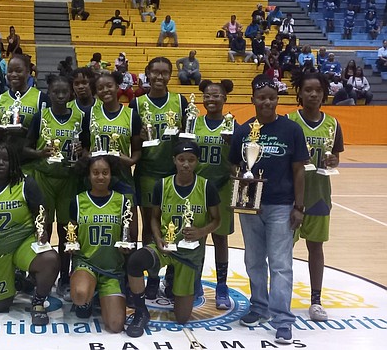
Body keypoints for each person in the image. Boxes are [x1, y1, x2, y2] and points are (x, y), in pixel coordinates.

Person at [229, 74, 308, 345]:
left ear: (277, 100)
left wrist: (299, 206)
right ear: (252, 99)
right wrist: (244, 196)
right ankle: (259, 306)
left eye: (271, 98)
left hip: (281, 206)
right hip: (251, 208)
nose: (266, 102)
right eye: (261, 97)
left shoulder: (291, 130)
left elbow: (299, 170)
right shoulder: (243, 131)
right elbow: (234, 168)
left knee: (281, 264)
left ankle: (282, 319)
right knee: (253, 261)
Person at [125, 141, 221, 337]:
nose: (186, 164)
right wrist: (158, 238)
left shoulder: (206, 187)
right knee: (135, 261)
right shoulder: (162, 185)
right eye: (181, 160)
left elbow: (217, 220)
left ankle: (179, 283)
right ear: (174, 161)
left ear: (197, 162)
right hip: (164, 247)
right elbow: (154, 218)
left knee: (182, 318)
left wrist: (202, 232)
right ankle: (141, 311)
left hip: (189, 253)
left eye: (191, 160)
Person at [0, 143, 60, 325]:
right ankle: (17, 278)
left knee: (50, 259)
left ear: (13, 162)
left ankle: (38, 302)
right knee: (0, 306)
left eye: (5, 159)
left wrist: (42, 230)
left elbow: (41, 211)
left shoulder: (26, 183)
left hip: (22, 244)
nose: (0, 163)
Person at [23, 75, 88, 301]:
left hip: (69, 179)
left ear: (70, 93)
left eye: (64, 92)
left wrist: (82, 153)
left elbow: (88, 149)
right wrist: (40, 153)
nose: (60, 96)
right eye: (55, 92)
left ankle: (63, 276)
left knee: (66, 231)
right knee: (43, 228)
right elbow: (26, 147)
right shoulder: (41, 116)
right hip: (44, 177)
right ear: (48, 94)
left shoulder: (81, 117)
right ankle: (39, 273)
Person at [287, 71, 343, 322]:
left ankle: (316, 300)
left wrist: (333, 160)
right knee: (283, 251)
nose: (313, 94)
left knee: (316, 248)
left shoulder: (332, 124)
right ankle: (281, 298)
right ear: (299, 92)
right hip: (290, 197)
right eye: (308, 89)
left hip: (320, 195)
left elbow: (336, 156)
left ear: (324, 93)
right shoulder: (288, 121)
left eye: (318, 90)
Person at [131, 56, 189, 253]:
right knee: (149, 224)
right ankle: (151, 271)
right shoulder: (136, 104)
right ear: (147, 73)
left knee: (173, 224)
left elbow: (187, 138)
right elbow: (133, 143)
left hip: (173, 174)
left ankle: (172, 271)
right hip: (147, 173)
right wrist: (139, 136)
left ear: (170, 75)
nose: (159, 76)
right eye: (155, 72)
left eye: (165, 73)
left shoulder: (180, 101)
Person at [69, 155, 131, 332]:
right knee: (80, 296)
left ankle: (99, 293)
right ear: (88, 175)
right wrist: (70, 244)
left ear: (112, 174)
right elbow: (71, 233)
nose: (101, 177)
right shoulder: (78, 201)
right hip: (86, 264)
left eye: (105, 172)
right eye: (95, 173)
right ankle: (87, 296)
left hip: (112, 270)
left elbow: (129, 236)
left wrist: (127, 248)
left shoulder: (122, 201)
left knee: (115, 326)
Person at [194, 80, 236, 309]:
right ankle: (195, 283)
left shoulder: (231, 124)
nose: (211, 99)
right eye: (208, 95)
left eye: (216, 95)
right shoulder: (194, 123)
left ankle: (221, 286)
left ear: (224, 98)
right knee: (197, 237)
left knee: (220, 238)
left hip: (222, 187)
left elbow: (239, 159)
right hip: (198, 189)